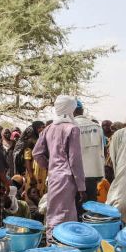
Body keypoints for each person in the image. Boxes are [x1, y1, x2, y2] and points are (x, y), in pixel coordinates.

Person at [33, 96, 86, 238]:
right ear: (70, 109)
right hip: (67, 178)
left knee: (54, 212)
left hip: (54, 177)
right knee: (65, 214)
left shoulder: (49, 128)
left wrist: (51, 167)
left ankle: (53, 244)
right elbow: (75, 160)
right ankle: (61, 246)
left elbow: (37, 153)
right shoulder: (72, 128)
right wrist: (81, 186)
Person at [74, 100, 105, 200]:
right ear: (82, 110)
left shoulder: (70, 127)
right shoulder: (97, 127)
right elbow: (102, 152)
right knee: (91, 205)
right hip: (93, 174)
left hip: (74, 175)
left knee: (76, 206)